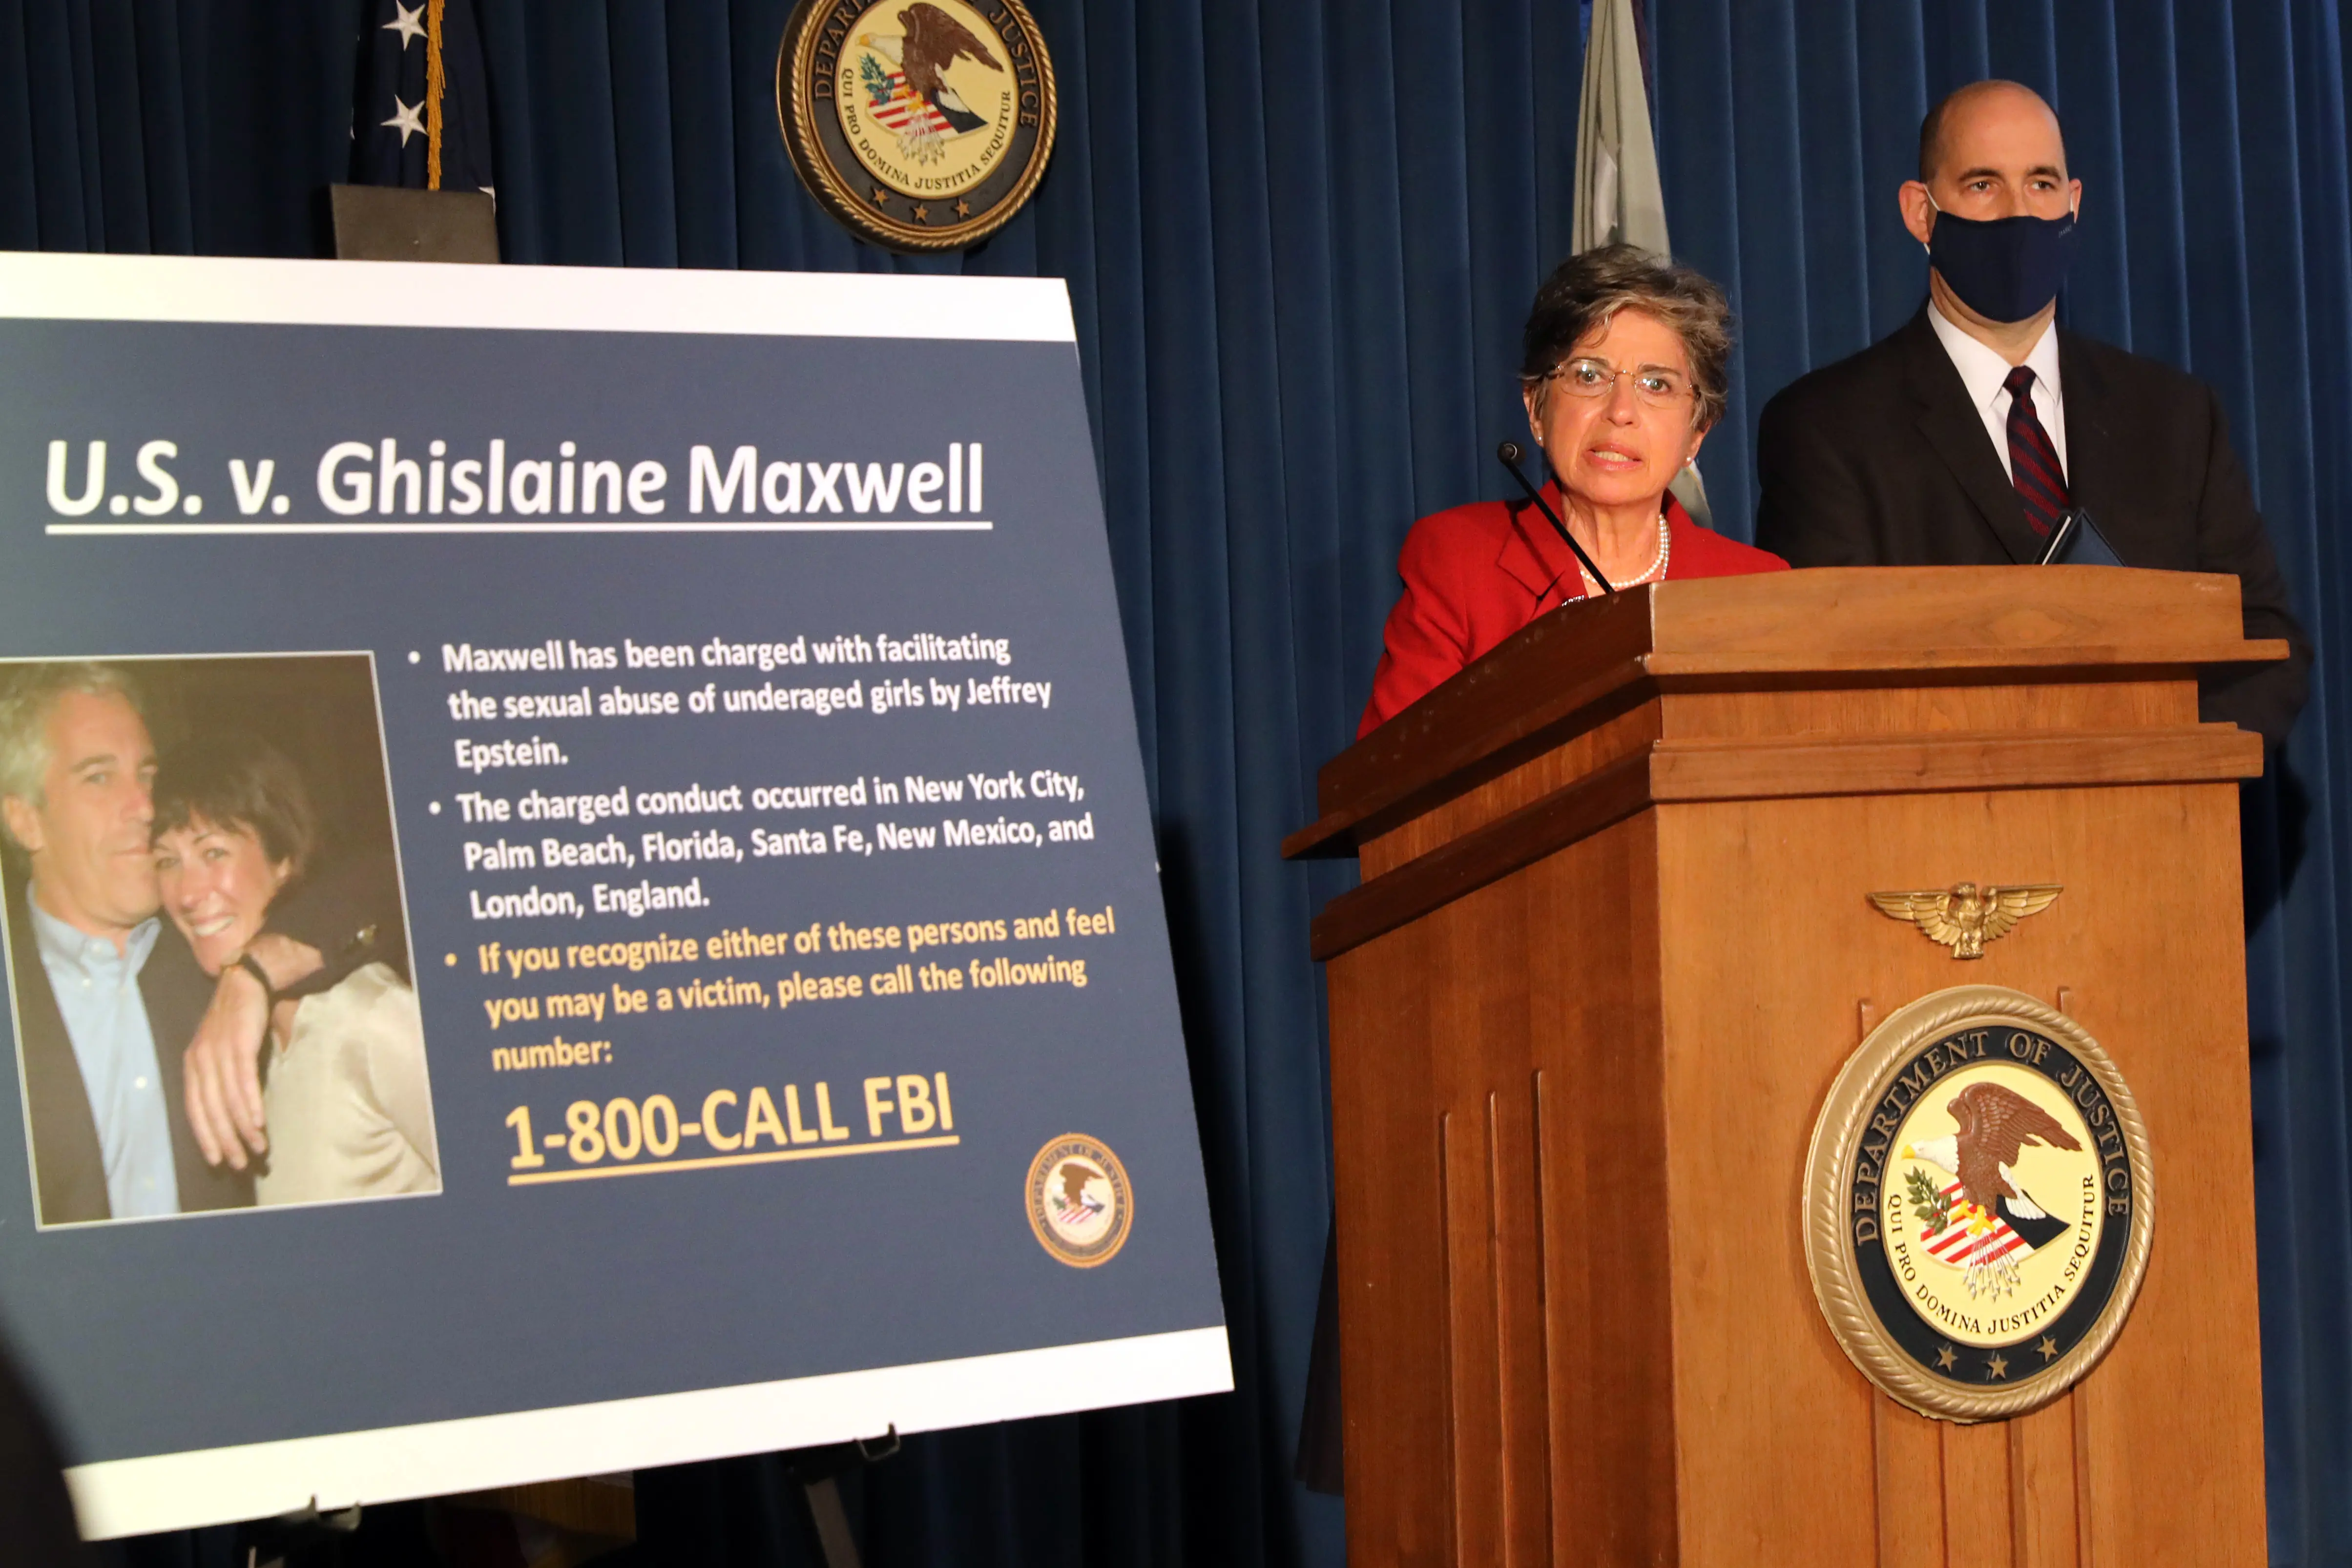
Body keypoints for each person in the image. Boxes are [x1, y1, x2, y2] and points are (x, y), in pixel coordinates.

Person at [1754, 79, 2310, 744]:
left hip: (2161, 796)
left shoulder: (2174, 415)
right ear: (1920, 213)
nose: (2018, 213)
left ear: (2073, 203)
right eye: (1983, 185)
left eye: (2040, 184)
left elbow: (2263, 640)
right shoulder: (1826, 427)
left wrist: (2147, 755)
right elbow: (1827, 669)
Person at [0, 663, 399, 1223]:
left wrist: (254, 971)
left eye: (147, 773)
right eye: (99, 777)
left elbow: (386, 879)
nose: (145, 805)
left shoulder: (213, 942)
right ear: (25, 820)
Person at [1358, 244, 1788, 737]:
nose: (1620, 411)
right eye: (1588, 375)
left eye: (1656, 384)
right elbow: (1394, 771)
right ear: (1536, 409)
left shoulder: (1757, 587)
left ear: (1696, 433)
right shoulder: (1458, 562)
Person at [151, 733, 439, 1204]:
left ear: (283, 858)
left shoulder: (371, 1018)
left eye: (214, 853)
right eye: (167, 861)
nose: (186, 892)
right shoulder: (243, 1031)